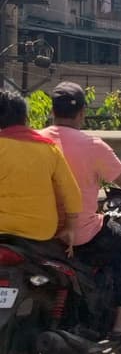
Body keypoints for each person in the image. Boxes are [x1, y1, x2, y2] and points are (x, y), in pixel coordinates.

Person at [40, 82, 121, 337]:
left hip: (36, 230)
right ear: (82, 112)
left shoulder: (36, 140)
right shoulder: (92, 145)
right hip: (79, 233)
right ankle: (120, 321)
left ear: (52, 110)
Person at [0, 89, 81, 250]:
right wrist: (70, 227)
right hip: (42, 232)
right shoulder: (49, 149)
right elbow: (72, 193)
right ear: (26, 118)